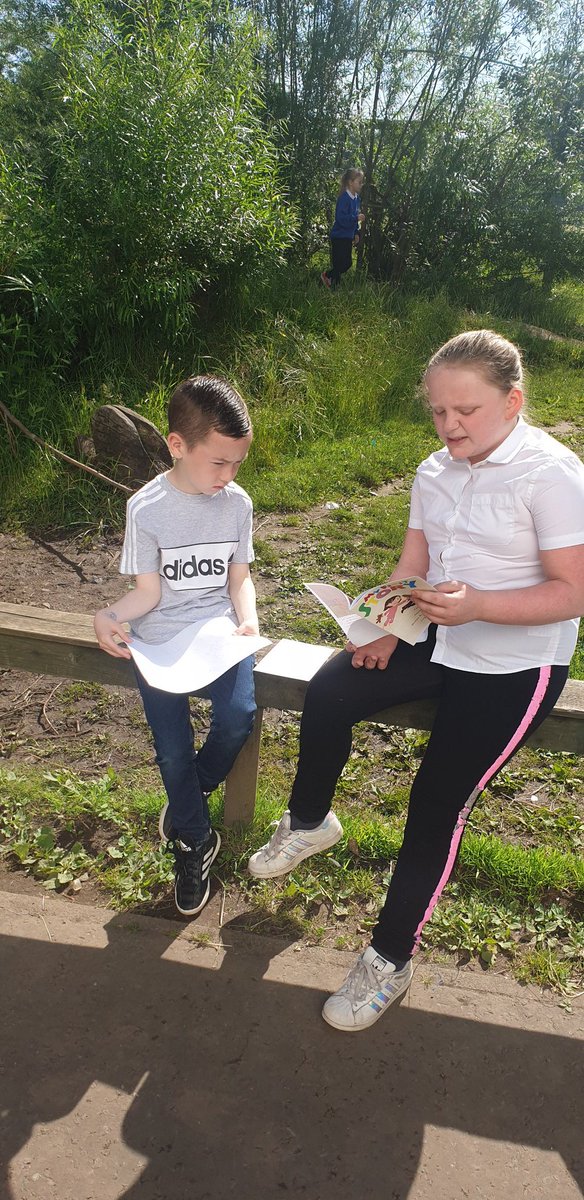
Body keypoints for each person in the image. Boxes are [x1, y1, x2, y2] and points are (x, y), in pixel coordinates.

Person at [248, 330, 584, 1032]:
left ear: (513, 401)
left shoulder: (552, 474)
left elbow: (573, 591)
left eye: (466, 410)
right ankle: (310, 822)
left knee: (434, 802)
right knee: (331, 689)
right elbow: (412, 569)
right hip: (436, 634)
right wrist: (379, 622)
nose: (449, 425)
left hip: (514, 664)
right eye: (438, 411)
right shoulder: (434, 471)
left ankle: (388, 960)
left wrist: (481, 606)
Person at [95, 375, 259, 918]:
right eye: (219, 462)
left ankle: (187, 796)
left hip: (218, 634)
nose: (228, 476)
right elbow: (148, 593)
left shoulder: (237, 503)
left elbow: (239, 579)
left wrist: (248, 619)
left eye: (238, 463)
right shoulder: (147, 507)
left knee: (238, 717)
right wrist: (108, 616)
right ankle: (194, 840)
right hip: (160, 641)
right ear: (177, 445)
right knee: (171, 748)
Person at [321, 168, 365, 290]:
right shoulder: (344, 198)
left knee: (347, 263)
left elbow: (354, 219)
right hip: (339, 236)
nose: (361, 185)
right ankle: (328, 279)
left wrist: (356, 233)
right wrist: (356, 218)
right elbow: (340, 218)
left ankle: (329, 282)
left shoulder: (356, 198)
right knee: (340, 264)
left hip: (348, 236)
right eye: (359, 182)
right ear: (350, 182)